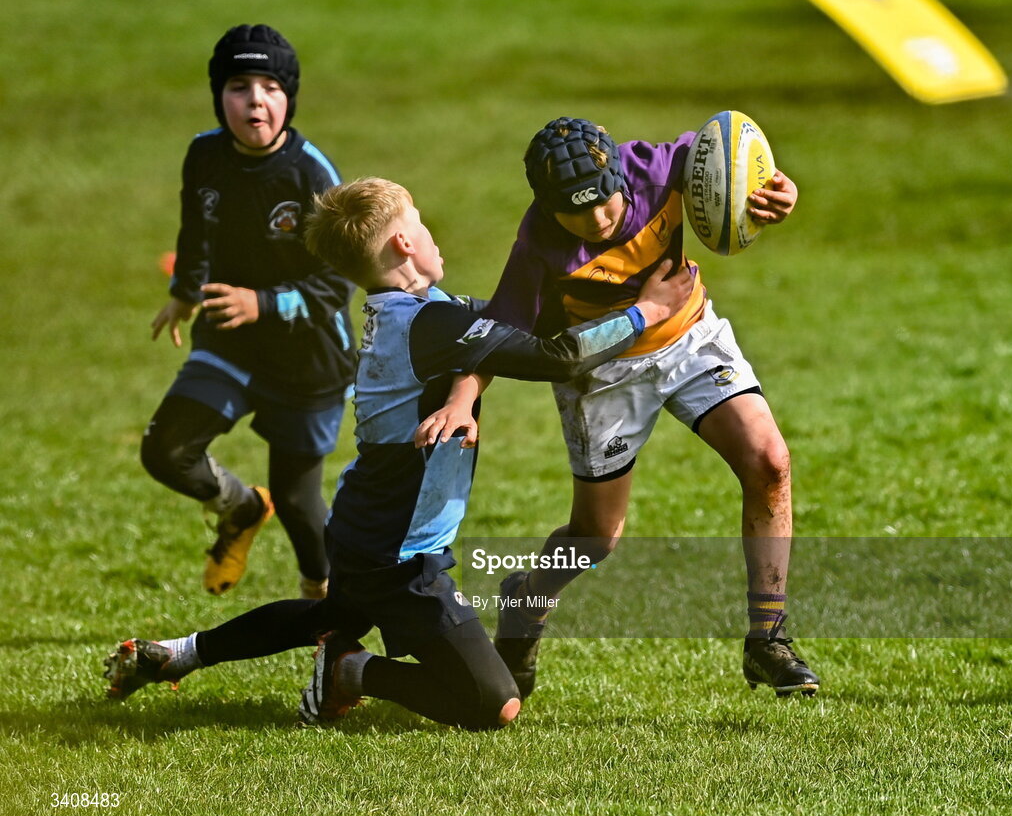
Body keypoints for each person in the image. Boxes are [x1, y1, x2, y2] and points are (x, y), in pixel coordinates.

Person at [104, 177, 694, 730]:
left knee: (329, 617)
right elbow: (555, 356)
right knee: (496, 703)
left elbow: (507, 330)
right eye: (423, 224)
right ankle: (351, 671)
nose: (435, 235)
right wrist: (648, 312)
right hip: (400, 557)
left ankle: (177, 654)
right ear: (404, 242)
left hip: (364, 528)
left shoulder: (412, 315)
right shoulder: (431, 324)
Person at [429, 117, 819, 699]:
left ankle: (768, 636)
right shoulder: (539, 244)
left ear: (618, 173)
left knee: (769, 462)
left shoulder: (660, 169)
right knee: (596, 538)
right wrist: (462, 401)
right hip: (602, 374)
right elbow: (497, 334)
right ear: (546, 206)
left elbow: (733, 162)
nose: (597, 221)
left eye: (605, 202)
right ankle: (524, 603)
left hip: (690, 337)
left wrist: (774, 192)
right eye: (575, 212)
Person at [140, 24, 357, 599]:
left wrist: (261, 303)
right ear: (220, 96)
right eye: (239, 85)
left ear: (289, 98)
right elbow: (197, 227)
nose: (255, 100)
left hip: (308, 357)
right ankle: (238, 508)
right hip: (229, 339)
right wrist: (187, 291)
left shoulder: (313, 175)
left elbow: (339, 281)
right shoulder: (204, 155)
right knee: (166, 451)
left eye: (270, 86)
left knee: (297, 501)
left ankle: (326, 607)